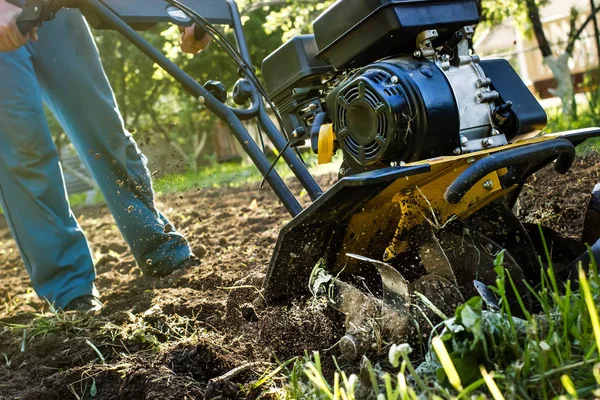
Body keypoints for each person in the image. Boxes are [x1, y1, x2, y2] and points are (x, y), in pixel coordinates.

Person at [0, 1, 211, 312]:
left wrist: (178, 8)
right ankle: (69, 287)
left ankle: (158, 249)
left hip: (58, 5)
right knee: (24, 150)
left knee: (104, 128)